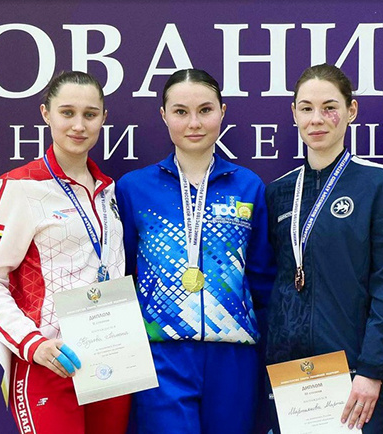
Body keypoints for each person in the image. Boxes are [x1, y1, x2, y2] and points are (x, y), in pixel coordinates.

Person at [0, 71, 130, 434]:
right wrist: (34, 345)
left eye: (90, 114)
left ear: (103, 118)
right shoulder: (20, 187)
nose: (79, 125)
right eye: (67, 112)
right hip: (50, 362)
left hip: (111, 359)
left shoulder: (108, 190)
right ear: (46, 113)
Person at [116, 68, 274, 434]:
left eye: (205, 110)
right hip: (161, 353)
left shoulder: (248, 186)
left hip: (234, 355)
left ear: (222, 111)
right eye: (181, 112)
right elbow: (122, 272)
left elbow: (263, 277)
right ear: (163, 115)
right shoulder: (134, 188)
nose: (194, 123)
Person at [265, 63, 383, 433]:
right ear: (294, 113)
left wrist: (371, 370)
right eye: (306, 108)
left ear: (351, 110)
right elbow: (274, 282)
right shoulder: (278, 191)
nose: (316, 119)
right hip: (291, 376)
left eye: (329, 107)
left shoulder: (376, 182)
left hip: (354, 376)